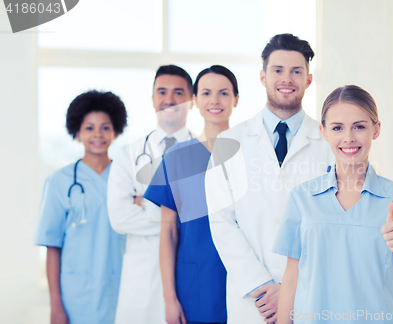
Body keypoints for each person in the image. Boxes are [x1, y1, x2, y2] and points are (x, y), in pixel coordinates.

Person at [273, 85, 393, 324]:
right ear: (324, 131)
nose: (348, 138)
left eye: (359, 126)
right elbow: (291, 278)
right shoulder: (302, 198)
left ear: (376, 129)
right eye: (337, 128)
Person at [204, 34, 335, 323]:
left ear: (309, 79)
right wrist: (261, 286)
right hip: (254, 302)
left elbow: (333, 226)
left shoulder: (330, 144)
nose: (286, 79)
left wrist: (291, 287)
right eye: (278, 70)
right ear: (263, 77)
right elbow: (221, 221)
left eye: (296, 71)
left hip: (309, 295)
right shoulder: (230, 141)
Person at [143, 65, 239, 324]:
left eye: (224, 93)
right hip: (194, 285)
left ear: (236, 100)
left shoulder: (250, 156)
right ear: (195, 100)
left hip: (244, 281)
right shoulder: (176, 158)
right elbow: (169, 231)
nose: (215, 101)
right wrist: (169, 299)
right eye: (206, 93)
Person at [107, 65, 194, 324]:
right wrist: (176, 216)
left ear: (192, 100)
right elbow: (119, 218)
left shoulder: (205, 153)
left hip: (189, 271)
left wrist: (145, 203)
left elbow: (210, 221)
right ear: (153, 99)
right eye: (162, 92)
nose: (169, 99)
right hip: (141, 279)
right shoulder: (128, 154)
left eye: (179, 92)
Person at [34, 90, 128, 324]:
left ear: (115, 131)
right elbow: (52, 246)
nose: (98, 134)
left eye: (105, 127)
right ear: (77, 132)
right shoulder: (59, 182)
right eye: (89, 127)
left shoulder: (127, 179)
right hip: (76, 295)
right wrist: (55, 305)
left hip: (122, 288)